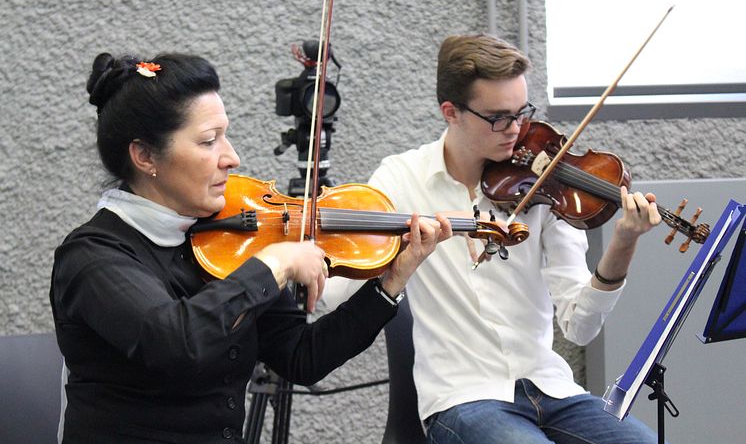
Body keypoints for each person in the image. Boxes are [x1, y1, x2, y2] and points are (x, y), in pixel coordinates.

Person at [49, 52, 451, 444]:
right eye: (208, 142)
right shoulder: (93, 256)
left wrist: (391, 282)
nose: (232, 158)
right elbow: (174, 342)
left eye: (226, 135)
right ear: (144, 156)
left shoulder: (224, 243)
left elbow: (302, 357)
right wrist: (272, 263)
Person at [325, 34, 663, 443]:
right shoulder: (402, 179)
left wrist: (624, 242)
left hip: (550, 387)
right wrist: (337, 255)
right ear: (451, 112)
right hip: (463, 398)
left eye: (522, 113)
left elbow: (579, 326)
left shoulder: (542, 186)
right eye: (499, 118)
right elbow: (335, 293)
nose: (516, 130)